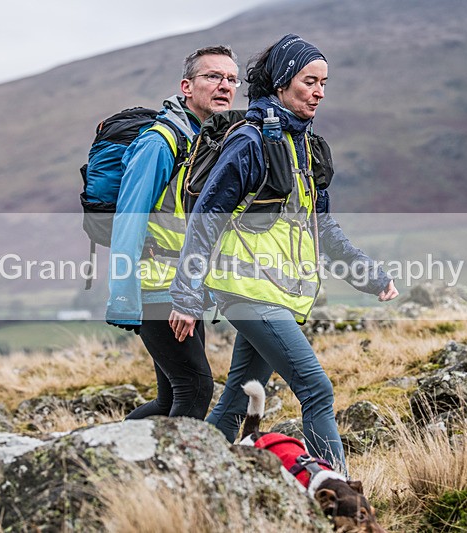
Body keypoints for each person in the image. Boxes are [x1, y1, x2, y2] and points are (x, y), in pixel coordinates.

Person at [168, 34, 398, 471]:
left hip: (277, 292)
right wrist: (185, 296)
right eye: (309, 81)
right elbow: (205, 218)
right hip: (247, 291)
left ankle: (193, 477)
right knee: (317, 389)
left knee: (237, 398)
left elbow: (322, 228)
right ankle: (339, 499)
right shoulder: (250, 141)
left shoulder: (307, 148)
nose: (319, 92)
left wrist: (369, 275)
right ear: (281, 82)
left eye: (324, 83)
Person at [105, 45, 240, 420]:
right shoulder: (159, 143)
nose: (224, 86)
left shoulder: (207, 140)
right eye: (213, 76)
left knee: (170, 400)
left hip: (183, 286)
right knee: (195, 388)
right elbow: (128, 220)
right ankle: (177, 477)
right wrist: (123, 299)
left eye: (231, 79)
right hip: (157, 286)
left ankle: (112, 458)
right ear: (186, 86)